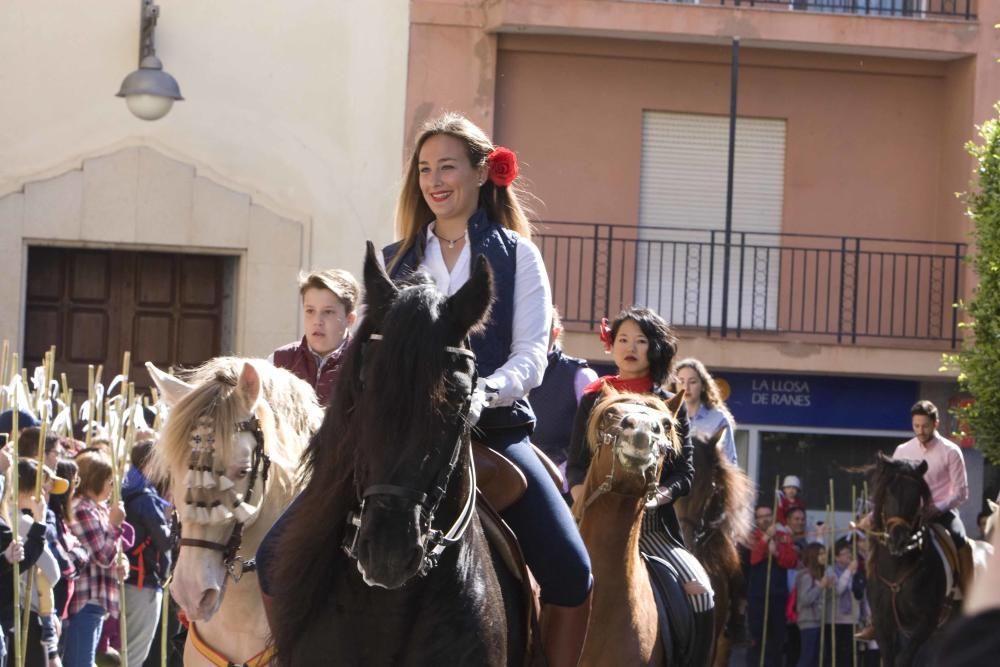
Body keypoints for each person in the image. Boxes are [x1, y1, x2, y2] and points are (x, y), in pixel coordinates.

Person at [382, 112, 591, 667]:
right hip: (399, 440)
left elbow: (532, 357)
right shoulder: (393, 261)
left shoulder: (518, 254)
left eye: (447, 166)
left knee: (573, 572)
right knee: (282, 546)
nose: (434, 180)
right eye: (425, 169)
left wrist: (483, 391)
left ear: (481, 172)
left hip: (495, 432)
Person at [565, 308, 718, 651]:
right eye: (622, 339)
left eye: (640, 340)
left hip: (651, 529)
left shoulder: (668, 403)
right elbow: (576, 464)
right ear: (611, 346)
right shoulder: (594, 397)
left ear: (655, 348)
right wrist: (580, 496)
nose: (629, 347)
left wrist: (657, 497)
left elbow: (685, 474)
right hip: (587, 519)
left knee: (700, 591)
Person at [64, 450, 128, 667]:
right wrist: (115, 525)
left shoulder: (98, 508)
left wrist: (122, 564)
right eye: (109, 481)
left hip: (97, 601)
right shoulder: (82, 509)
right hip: (86, 599)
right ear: (95, 480)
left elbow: (112, 553)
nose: (112, 487)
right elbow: (102, 555)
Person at [527, 308, 597, 490]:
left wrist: (564, 480)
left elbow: (595, 441)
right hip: (511, 482)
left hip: (565, 489)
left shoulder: (581, 376)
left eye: (540, 329)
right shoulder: (502, 375)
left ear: (555, 332)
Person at [270, 268, 361, 406]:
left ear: (350, 319)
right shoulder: (277, 361)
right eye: (310, 311)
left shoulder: (366, 365)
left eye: (328, 312)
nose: (317, 321)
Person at [121, 439, 173, 665]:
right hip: (144, 582)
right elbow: (166, 541)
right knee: (134, 655)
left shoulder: (125, 488)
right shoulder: (146, 499)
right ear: (150, 462)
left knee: (121, 649)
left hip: (124, 577)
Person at [746, 503, 798, 667]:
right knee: (757, 638)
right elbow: (753, 559)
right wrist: (765, 539)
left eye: (768, 515)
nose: (765, 519)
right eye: (761, 516)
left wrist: (777, 553)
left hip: (778, 595)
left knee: (777, 639)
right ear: (756, 519)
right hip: (757, 596)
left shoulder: (783, 536)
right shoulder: (752, 536)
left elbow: (791, 561)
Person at [674, 358, 738, 465]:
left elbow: (730, 462)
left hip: (706, 479)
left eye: (692, 382)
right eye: (681, 382)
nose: (686, 387)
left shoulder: (718, 418)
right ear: (674, 385)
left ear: (703, 386)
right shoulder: (667, 417)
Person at [794, 542, 828, 667]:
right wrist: (821, 587)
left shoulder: (818, 575)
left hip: (817, 620)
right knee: (808, 656)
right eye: (820, 554)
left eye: (824, 553)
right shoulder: (807, 576)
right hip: (809, 621)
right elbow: (805, 599)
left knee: (815, 658)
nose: (824, 556)